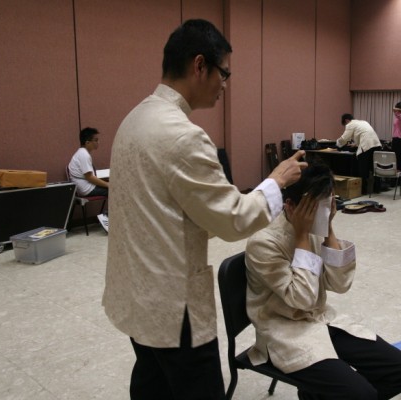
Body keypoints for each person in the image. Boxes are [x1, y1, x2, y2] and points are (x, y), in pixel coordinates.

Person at [101, 19, 306, 400]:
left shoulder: (135, 119)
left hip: (135, 294)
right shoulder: (183, 136)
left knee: (152, 384)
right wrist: (276, 182)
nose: (225, 85)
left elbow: (167, 209)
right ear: (200, 65)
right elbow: (233, 219)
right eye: (224, 73)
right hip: (173, 305)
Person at [245, 161, 401, 400]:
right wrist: (302, 237)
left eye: (327, 206)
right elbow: (302, 299)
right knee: (362, 394)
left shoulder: (315, 227)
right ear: (290, 206)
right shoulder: (264, 243)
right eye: (314, 209)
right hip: (284, 332)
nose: (321, 215)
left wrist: (328, 229)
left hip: (320, 319)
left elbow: (340, 284)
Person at [336, 113, 382, 194]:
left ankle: (363, 190)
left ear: (346, 120)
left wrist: (337, 144)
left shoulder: (350, 124)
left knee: (363, 169)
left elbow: (344, 138)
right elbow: (364, 135)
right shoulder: (363, 122)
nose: (345, 126)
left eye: (345, 124)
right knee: (374, 168)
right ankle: (377, 189)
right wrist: (355, 144)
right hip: (376, 145)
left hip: (366, 146)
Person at [67, 127, 109, 197]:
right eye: (96, 140)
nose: (98, 142)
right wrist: (107, 184)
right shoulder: (84, 155)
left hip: (84, 187)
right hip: (87, 189)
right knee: (115, 190)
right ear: (87, 143)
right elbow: (90, 177)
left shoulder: (81, 153)